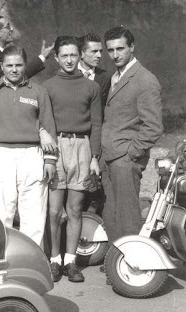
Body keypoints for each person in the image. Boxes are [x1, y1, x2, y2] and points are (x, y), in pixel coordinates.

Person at [0, 45, 57, 247]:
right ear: (1, 66)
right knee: (1, 212)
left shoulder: (38, 91)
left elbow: (48, 125)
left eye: (18, 65)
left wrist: (49, 160)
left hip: (32, 155)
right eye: (9, 65)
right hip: (0, 156)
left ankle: (31, 260)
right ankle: (2, 259)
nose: (14, 70)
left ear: (24, 66)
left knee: (34, 212)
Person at [42, 36, 102, 283]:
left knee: (75, 209)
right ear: (56, 57)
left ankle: (71, 261)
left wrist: (95, 157)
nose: (69, 60)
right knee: (54, 211)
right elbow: (43, 121)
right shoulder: (47, 86)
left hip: (82, 148)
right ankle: (54, 261)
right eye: (64, 55)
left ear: (80, 56)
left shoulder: (92, 87)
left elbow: (97, 123)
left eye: (73, 55)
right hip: (55, 148)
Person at [100, 26, 163, 241]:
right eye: (110, 50)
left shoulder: (145, 79)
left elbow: (153, 126)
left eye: (120, 49)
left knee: (127, 216)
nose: (115, 55)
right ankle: (116, 259)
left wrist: (130, 154)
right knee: (112, 213)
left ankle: (133, 264)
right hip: (109, 156)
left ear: (132, 47)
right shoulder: (115, 77)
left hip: (125, 159)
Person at [0, 15, 55, 94]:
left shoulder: (1, 53)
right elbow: (16, 77)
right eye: (7, 26)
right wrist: (42, 57)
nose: (11, 29)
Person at [78, 33, 111, 110]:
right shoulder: (68, 75)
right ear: (81, 53)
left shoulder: (107, 78)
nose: (99, 55)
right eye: (94, 51)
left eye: (100, 51)